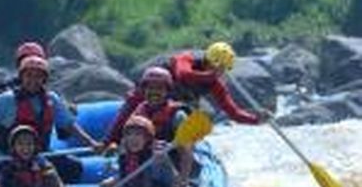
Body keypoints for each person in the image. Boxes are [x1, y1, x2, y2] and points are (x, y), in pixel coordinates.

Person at [0, 55, 102, 181]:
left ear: (44, 79)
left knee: (74, 168)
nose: (33, 80)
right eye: (29, 76)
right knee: (10, 181)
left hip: (40, 155)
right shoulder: (7, 99)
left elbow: (69, 126)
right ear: (21, 77)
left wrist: (92, 144)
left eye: (38, 77)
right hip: (11, 159)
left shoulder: (52, 99)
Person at [106, 41, 268, 146]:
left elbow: (233, 112)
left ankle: (180, 153)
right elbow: (183, 74)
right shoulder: (186, 59)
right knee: (132, 103)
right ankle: (110, 142)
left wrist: (256, 119)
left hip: (170, 107)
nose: (220, 73)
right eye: (218, 68)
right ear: (208, 60)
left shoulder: (214, 84)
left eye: (223, 70)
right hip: (149, 95)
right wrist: (210, 75)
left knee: (184, 117)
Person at [129, 66, 193, 187]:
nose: (154, 92)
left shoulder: (178, 116)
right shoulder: (139, 112)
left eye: (159, 88)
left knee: (159, 153)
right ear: (144, 89)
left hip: (172, 166)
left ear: (167, 91)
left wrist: (183, 178)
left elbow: (186, 151)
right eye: (150, 88)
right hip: (145, 166)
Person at [95, 115, 166, 187]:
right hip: (133, 181)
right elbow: (124, 176)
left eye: (138, 135)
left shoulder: (155, 154)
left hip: (156, 186)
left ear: (147, 139)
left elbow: (147, 182)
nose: (133, 139)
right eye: (129, 135)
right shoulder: (124, 153)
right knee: (105, 185)